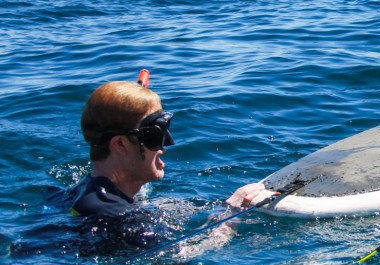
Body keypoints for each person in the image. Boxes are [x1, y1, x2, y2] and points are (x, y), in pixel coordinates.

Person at [55, 79, 263, 250]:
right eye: (155, 134)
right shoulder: (120, 221)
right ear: (120, 144)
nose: (165, 146)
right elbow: (184, 256)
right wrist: (230, 213)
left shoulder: (72, 194)